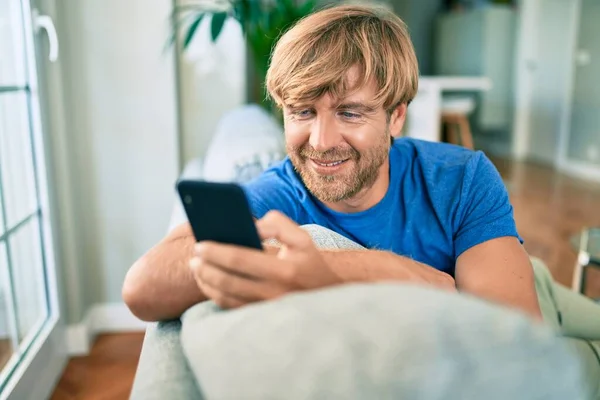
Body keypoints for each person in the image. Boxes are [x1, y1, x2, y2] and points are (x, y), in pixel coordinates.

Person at [123, 5, 599, 396]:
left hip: (531, 286)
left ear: (396, 118)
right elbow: (142, 288)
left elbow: (514, 349)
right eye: (302, 112)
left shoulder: (461, 178)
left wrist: (331, 269)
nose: (321, 140)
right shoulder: (276, 194)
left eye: (350, 113)